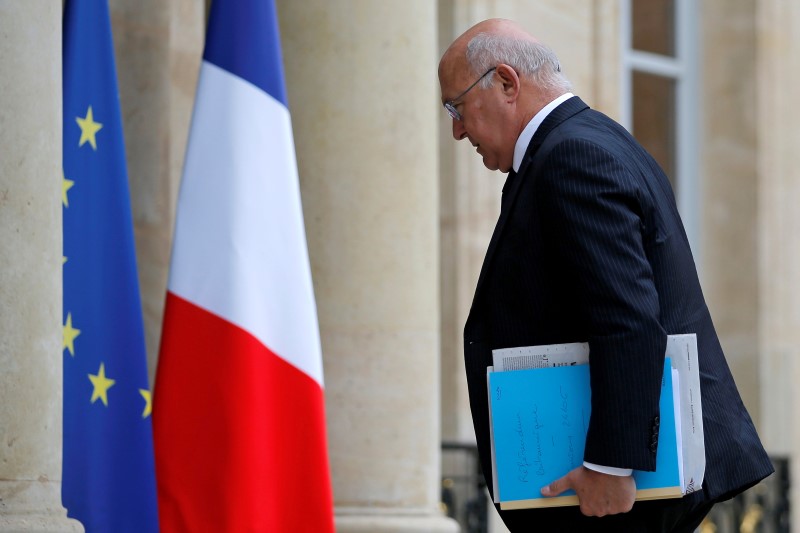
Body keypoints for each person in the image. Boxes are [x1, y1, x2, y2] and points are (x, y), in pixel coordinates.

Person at [439, 18, 774, 532]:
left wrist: (611, 465)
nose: (457, 130)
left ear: (507, 83)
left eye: (456, 107)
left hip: (616, 494)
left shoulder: (573, 156)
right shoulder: (588, 142)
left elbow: (628, 318)